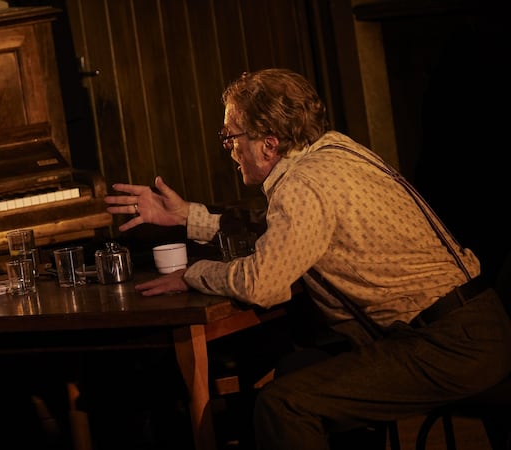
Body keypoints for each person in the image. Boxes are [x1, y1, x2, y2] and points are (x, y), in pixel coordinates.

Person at [104, 68, 511, 449]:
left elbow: (260, 284)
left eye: (232, 138)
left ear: (269, 143)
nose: (230, 151)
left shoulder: (301, 186)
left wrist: (193, 274)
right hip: (474, 326)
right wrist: (185, 216)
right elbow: (280, 232)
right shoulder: (333, 149)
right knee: (300, 367)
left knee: (286, 405)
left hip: (448, 346)